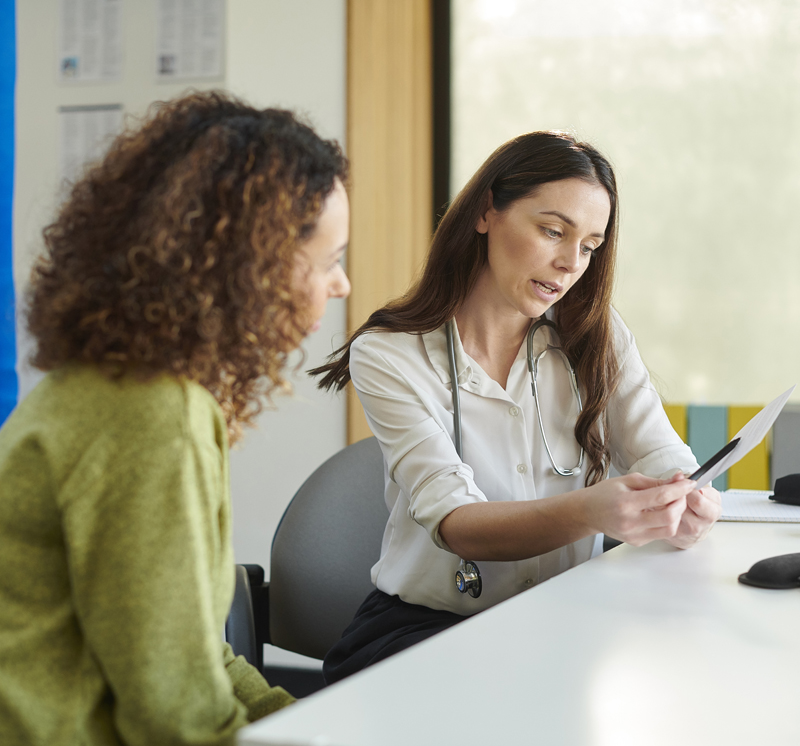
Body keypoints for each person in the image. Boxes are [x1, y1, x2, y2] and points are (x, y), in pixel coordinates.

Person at [0, 91, 350, 745]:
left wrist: (306, 725)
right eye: (330, 261)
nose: (342, 286)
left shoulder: (123, 384)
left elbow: (197, 655)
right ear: (257, 263)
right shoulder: (153, 414)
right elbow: (174, 714)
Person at [313, 130, 722, 683]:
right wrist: (594, 512)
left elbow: (660, 454)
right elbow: (456, 523)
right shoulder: (389, 353)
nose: (569, 263)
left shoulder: (594, 335)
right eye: (553, 231)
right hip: (429, 631)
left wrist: (687, 501)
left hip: (563, 622)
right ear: (487, 212)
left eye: (589, 246)